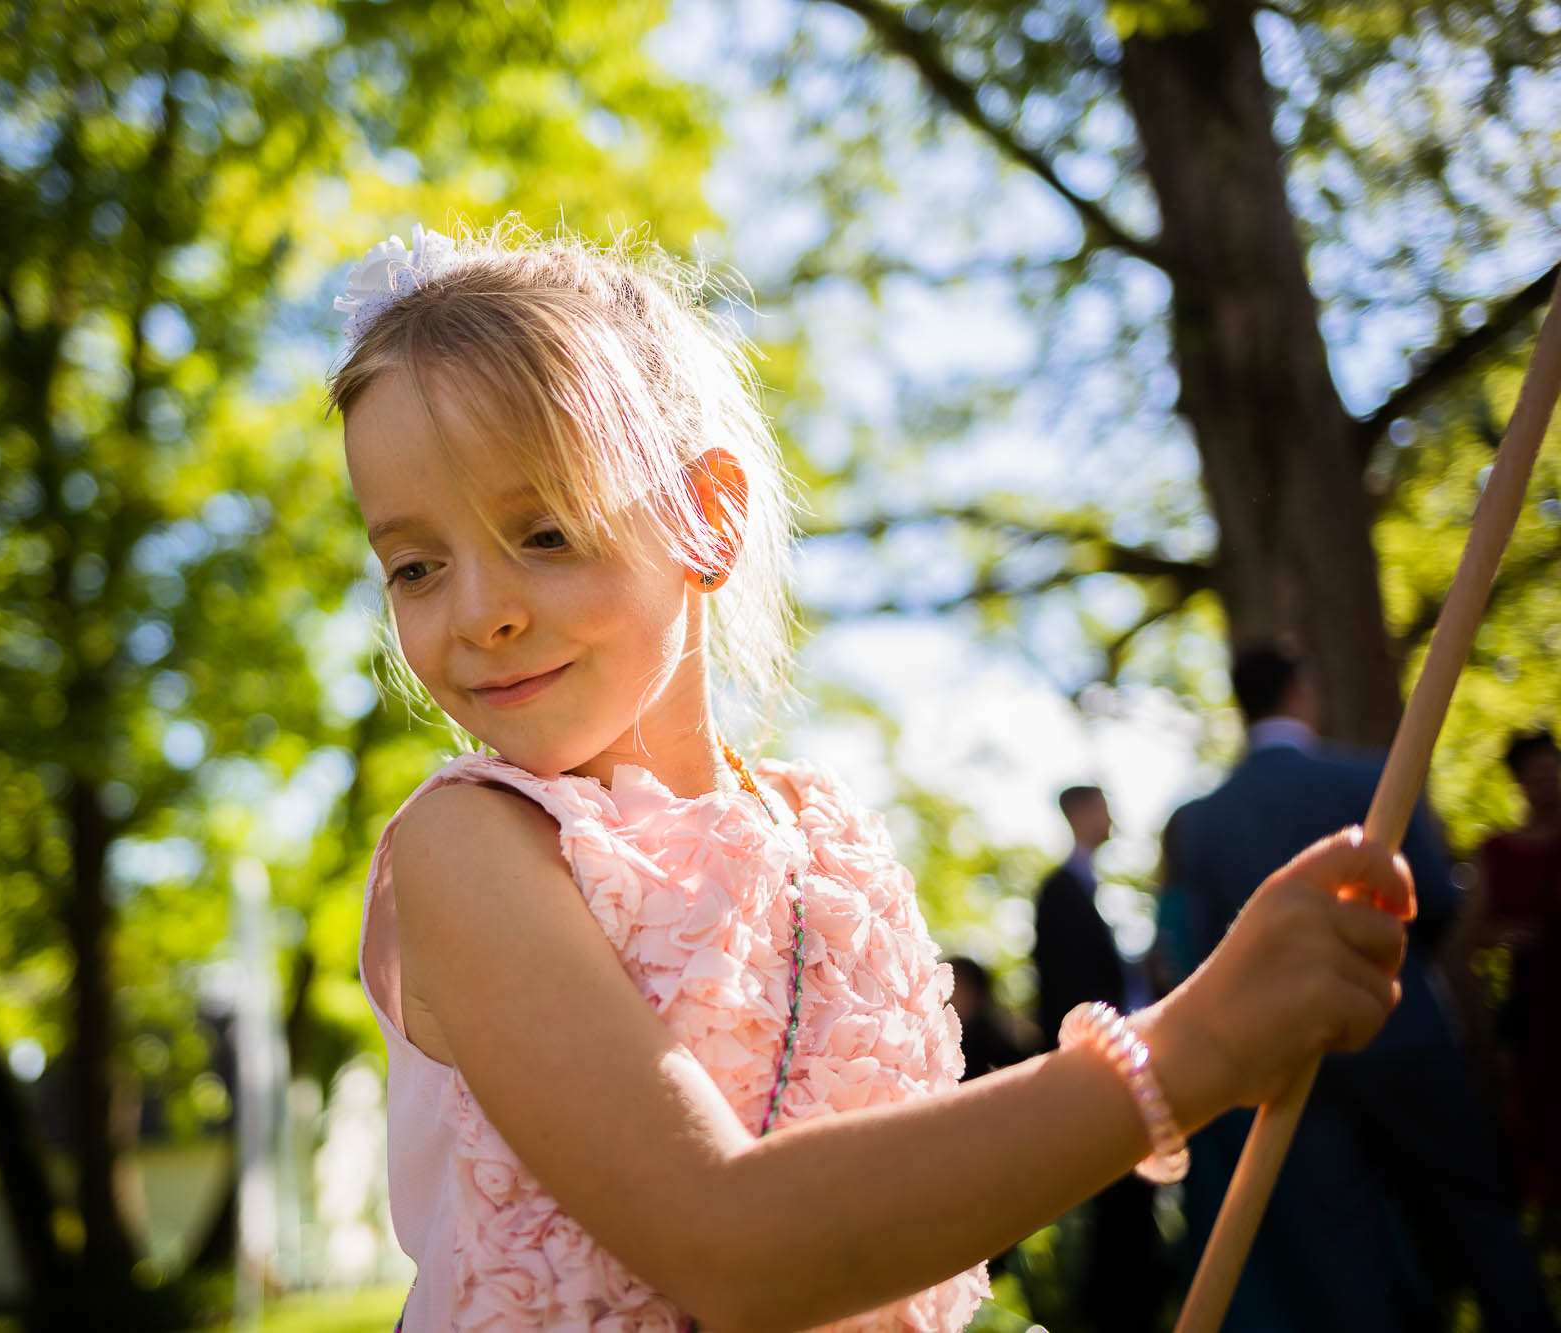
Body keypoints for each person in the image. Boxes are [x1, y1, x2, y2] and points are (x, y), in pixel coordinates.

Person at [334, 222, 1415, 1330]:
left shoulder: (828, 840)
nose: (476, 613)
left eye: (545, 531)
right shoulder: (466, 848)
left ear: (705, 515)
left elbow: (896, 1238)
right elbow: (730, 1245)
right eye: (415, 565)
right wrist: (1191, 1049)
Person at [1167, 649, 1555, 1333]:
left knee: (1349, 1261)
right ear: (1299, 690)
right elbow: (1432, 902)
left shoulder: (1201, 820)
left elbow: (1200, 959)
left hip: (1292, 1067)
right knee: (1483, 1226)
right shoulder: (1371, 777)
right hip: (1404, 1033)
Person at [1032, 785, 1167, 1333]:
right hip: (1097, 1075)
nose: (1111, 819)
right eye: (1103, 807)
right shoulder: (1060, 892)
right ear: (1079, 813)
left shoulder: (1092, 890)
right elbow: (1066, 992)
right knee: (1117, 1213)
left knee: (1128, 1213)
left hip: (1114, 1071)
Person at [1475, 729, 1561, 1232]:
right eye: (1537, 774)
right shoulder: (1499, 851)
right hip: (1537, 1013)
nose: (1548, 783)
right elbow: (1474, 932)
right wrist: (1506, 936)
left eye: (1554, 771)